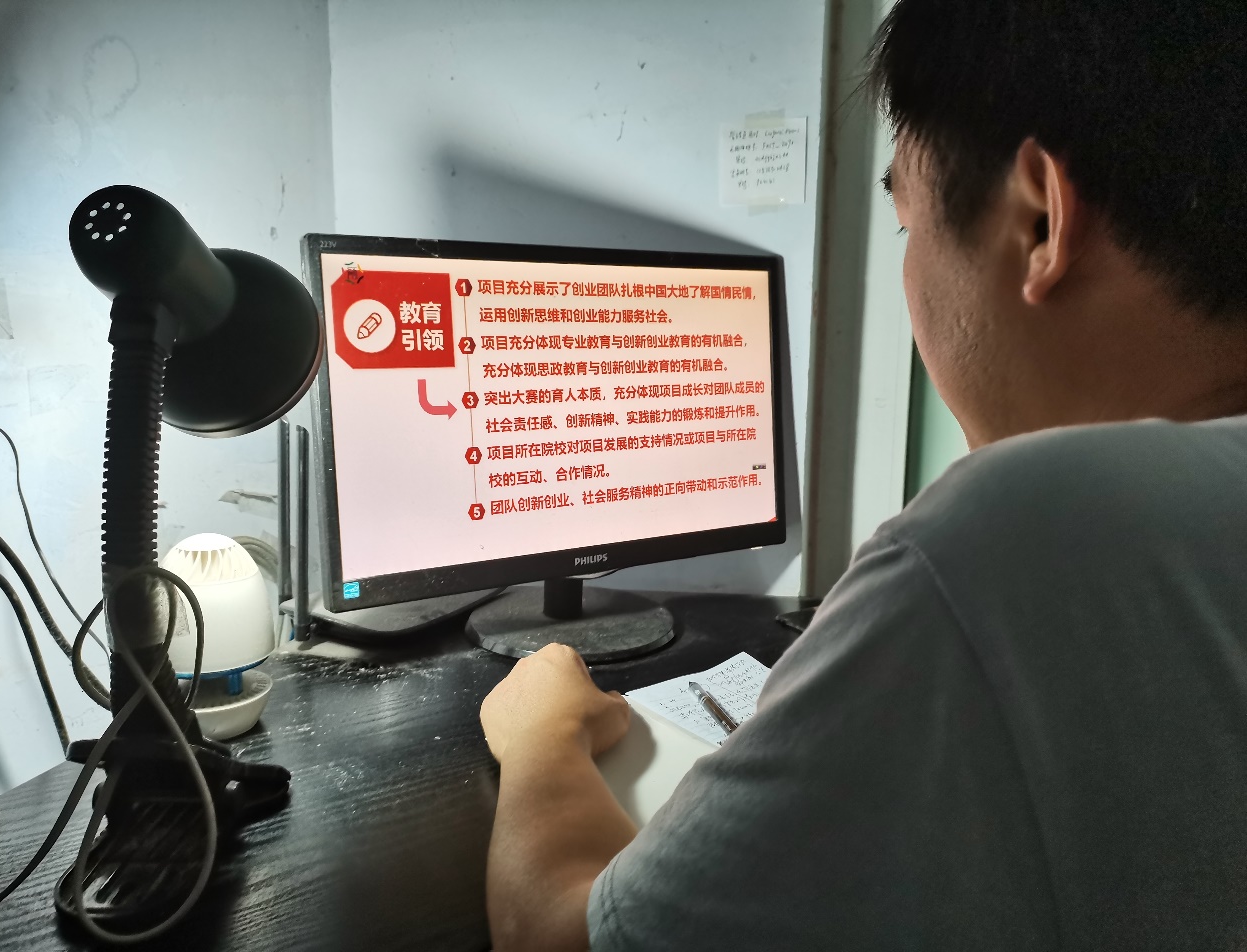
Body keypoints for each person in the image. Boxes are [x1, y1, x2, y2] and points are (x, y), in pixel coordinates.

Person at [480, 0, 1247, 948]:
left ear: (1039, 219)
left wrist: (540, 731)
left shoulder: (1016, 537)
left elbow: (559, 938)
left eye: (906, 224)